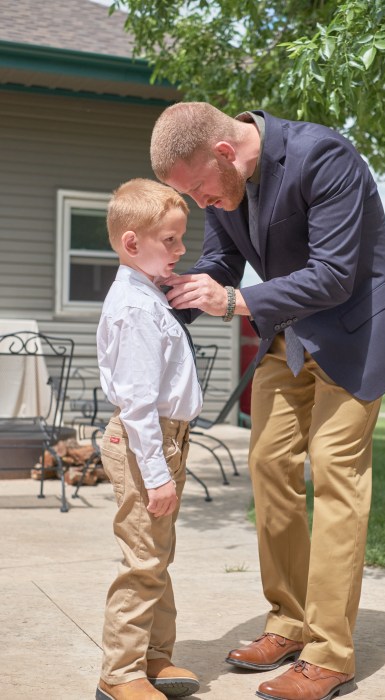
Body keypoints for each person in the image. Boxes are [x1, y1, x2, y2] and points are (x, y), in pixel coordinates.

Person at [149, 103, 385, 700]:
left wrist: (233, 302)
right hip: (291, 333)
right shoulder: (222, 185)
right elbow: (221, 262)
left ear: (225, 153)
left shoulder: (323, 156)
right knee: (269, 463)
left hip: (358, 331)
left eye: (199, 190)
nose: (200, 203)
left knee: (333, 470)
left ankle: (329, 654)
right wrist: (165, 300)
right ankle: (289, 622)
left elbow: (334, 275)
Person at [95, 178, 202, 700]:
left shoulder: (148, 296)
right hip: (146, 441)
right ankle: (120, 673)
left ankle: (154, 656)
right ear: (132, 243)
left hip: (164, 439)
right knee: (143, 558)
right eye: (170, 240)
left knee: (157, 555)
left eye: (182, 238)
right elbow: (138, 402)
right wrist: (156, 474)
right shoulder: (136, 308)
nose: (180, 250)